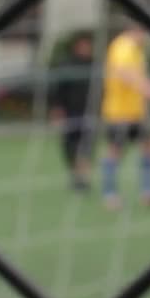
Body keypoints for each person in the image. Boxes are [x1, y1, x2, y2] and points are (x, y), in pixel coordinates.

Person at [100, 21, 150, 211]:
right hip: (119, 113)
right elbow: (124, 73)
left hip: (137, 113)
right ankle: (110, 195)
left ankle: (148, 193)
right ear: (138, 31)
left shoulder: (136, 50)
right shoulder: (123, 46)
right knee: (115, 152)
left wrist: (148, 88)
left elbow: (135, 75)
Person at [50, 33, 97, 192]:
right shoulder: (66, 65)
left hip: (89, 112)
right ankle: (75, 175)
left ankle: (83, 178)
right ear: (77, 47)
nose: (87, 48)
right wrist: (57, 109)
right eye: (84, 45)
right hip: (71, 112)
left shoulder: (93, 65)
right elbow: (58, 90)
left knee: (87, 146)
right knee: (70, 145)